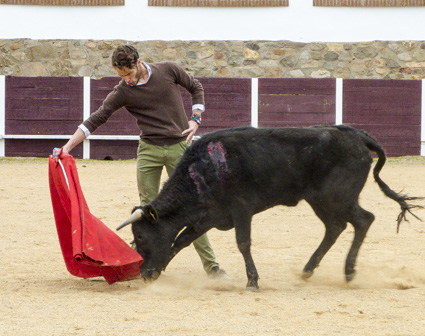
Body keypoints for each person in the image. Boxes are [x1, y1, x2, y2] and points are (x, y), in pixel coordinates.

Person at [53, 44, 229, 280]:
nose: (126, 80)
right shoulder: (122, 91)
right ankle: (143, 264)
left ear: (138, 63)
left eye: (129, 74)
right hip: (148, 151)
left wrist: (196, 117)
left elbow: (195, 86)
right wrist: (67, 146)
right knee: (147, 212)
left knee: (190, 207)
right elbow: (97, 118)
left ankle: (212, 267)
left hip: (179, 148)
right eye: (121, 76)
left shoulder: (168, 70)